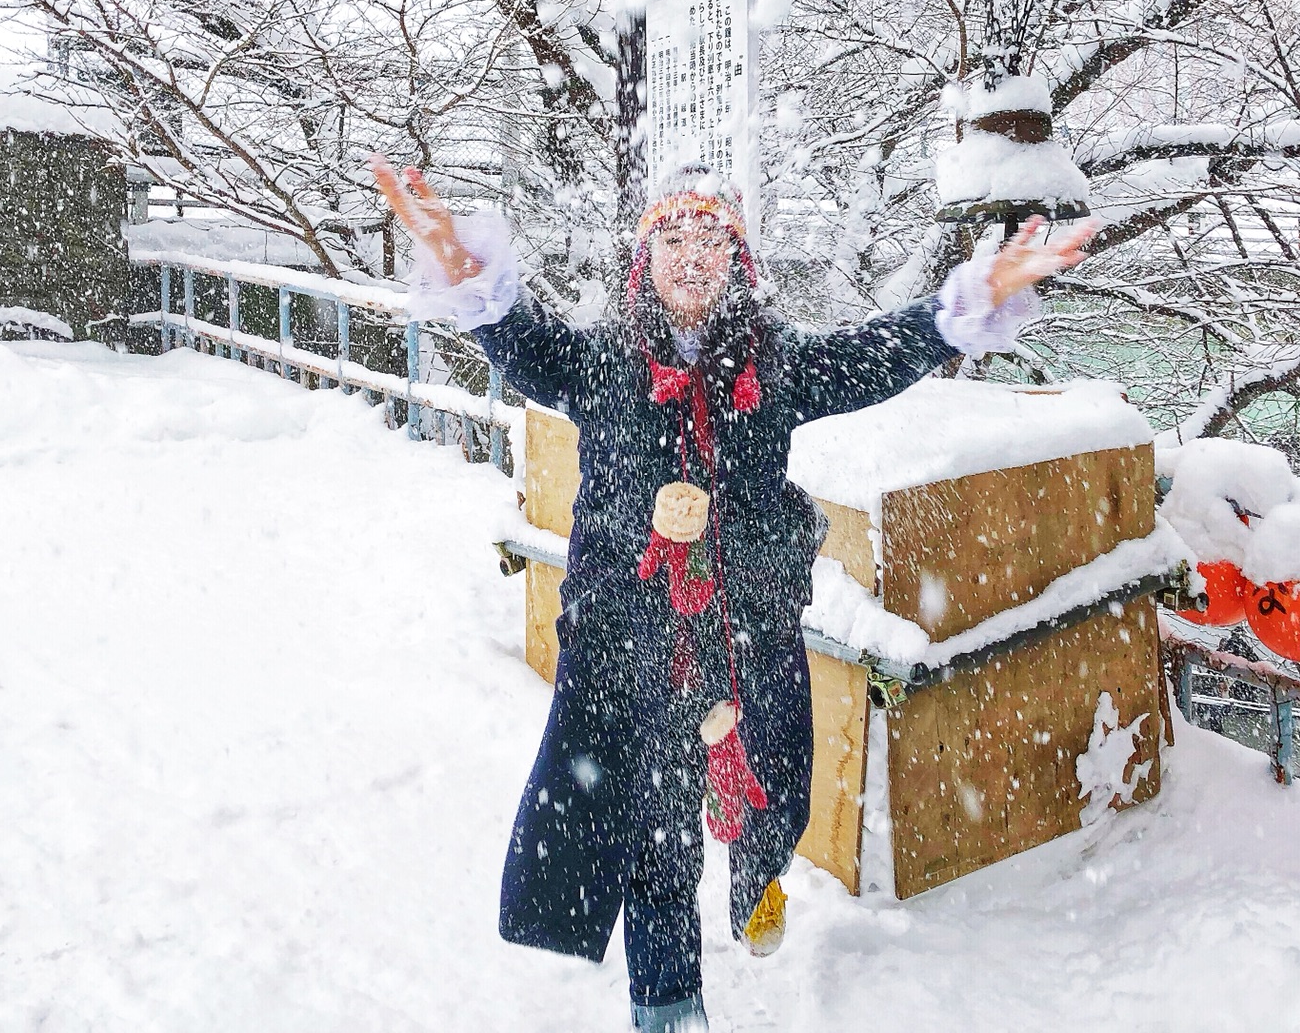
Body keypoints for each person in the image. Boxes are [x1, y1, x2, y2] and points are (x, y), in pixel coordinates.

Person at [374, 158, 1091, 1033]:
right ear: (644, 261)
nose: (689, 256)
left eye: (710, 238)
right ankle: (669, 1008)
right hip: (634, 653)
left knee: (765, 793)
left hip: (742, 642)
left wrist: (972, 302)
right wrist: (455, 257)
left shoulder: (776, 368)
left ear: (739, 260)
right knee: (656, 846)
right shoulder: (603, 362)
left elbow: (874, 357)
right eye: (670, 238)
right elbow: (517, 337)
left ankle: (758, 882)